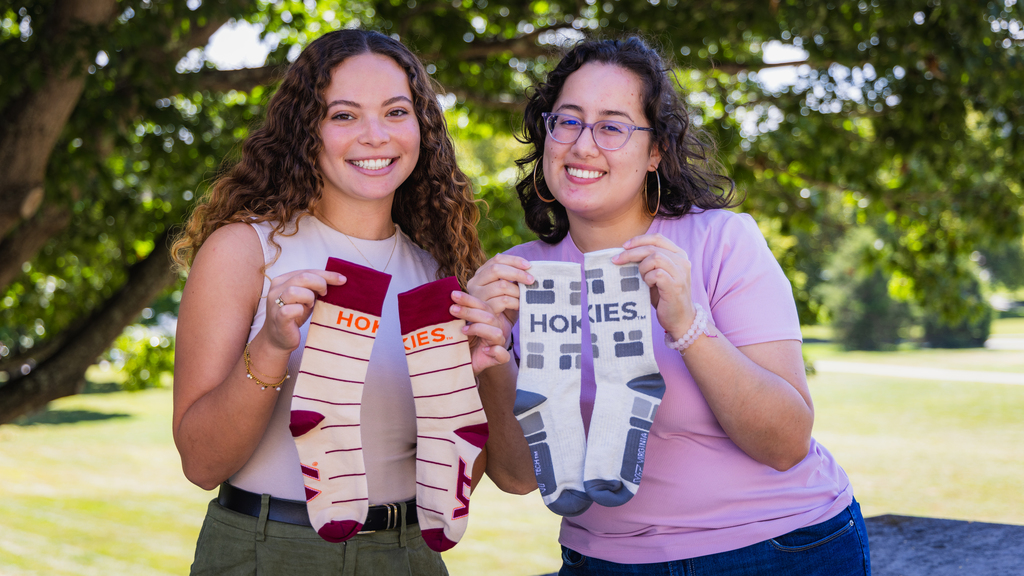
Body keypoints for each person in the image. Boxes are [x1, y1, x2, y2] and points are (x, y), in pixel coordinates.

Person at [470, 36, 871, 575]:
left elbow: (786, 443)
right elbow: (520, 478)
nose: (583, 145)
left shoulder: (723, 242)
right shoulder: (519, 278)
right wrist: (490, 353)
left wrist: (688, 323)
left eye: (612, 126)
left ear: (656, 150)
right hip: (603, 561)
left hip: (778, 551)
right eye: (567, 121)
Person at [171, 29, 507, 576]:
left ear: (421, 126)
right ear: (307, 130)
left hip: (410, 555)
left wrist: (470, 382)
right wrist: (274, 345)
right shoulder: (246, 250)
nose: (375, 135)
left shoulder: (437, 272)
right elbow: (201, 463)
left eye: (396, 112)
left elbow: (461, 476)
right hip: (270, 552)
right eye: (344, 115)